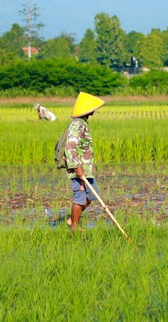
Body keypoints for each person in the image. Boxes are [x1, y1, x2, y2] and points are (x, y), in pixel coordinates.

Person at [64, 92, 105, 231]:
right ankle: (74, 227)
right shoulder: (77, 124)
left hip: (86, 168)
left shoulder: (82, 123)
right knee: (80, 196)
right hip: (79, 168)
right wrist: (77, 167)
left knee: (93, 194)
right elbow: (70, 146)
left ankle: (72, 219)